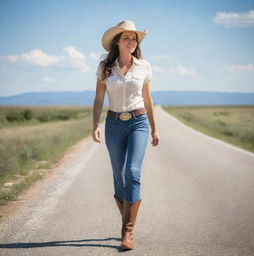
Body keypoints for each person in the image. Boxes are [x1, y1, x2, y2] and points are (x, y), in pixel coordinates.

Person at [92, 20, 160, 250]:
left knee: (132, 171)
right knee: (119, 176)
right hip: (113, 123)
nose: (131, 42)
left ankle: (127, 232)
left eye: (134, 38)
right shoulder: (105, 68)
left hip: (139, 122)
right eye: (126, 38)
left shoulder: (144, 67)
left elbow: (148, 99)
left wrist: (155, 128)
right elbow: (99, 99)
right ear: (117, 42)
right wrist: (95, 124)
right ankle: (127, 219)